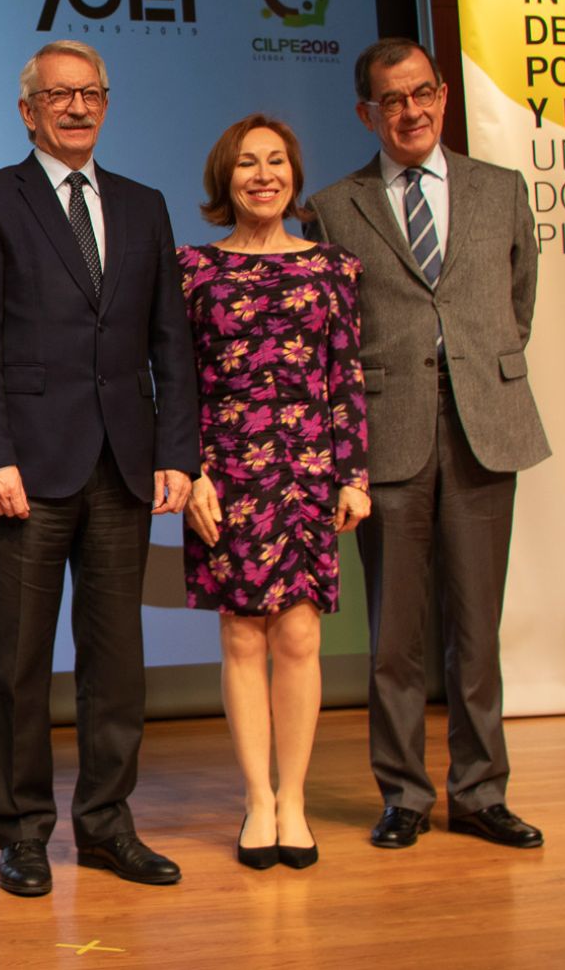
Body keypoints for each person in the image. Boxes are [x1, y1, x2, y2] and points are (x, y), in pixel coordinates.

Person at [0, 39, 199, 894]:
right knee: (19, 665)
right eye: (59, 96)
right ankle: (21, 833)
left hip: (124, 466)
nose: (78, 107)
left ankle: (105, 826)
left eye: (91, 93)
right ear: (28, 111)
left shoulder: (144, 204)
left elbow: (172, 341)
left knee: (115, 662)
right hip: (24, 471)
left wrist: (177, 453)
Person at [305, 37, 551, 851]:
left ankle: (481, 792)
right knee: (397, 632)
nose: (409, 112)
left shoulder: (501, 190)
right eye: (391, 100)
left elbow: (518, 298)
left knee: (478, 628)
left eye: (421, 94)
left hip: (487, 422)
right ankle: (404, 795)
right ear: (365, 113)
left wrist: (479, 366)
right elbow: (331, 333)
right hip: (389, 432)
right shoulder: (336, 208)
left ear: (443, 97)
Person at [177, 114, 370, 870]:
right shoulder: (191, 269)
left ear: (294, 175)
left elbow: (344, 375)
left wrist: (353, 473)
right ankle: (257, 799)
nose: (265, 175)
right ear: (225, 178)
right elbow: (176, 378)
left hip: (308, 471)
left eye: (278, 162)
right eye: (249, 164)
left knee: (299, 637)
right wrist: (190, 470)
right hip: (226, 473)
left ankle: (296, 799)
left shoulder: (335, 268)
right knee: (241, 636)